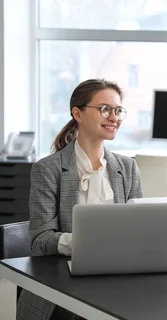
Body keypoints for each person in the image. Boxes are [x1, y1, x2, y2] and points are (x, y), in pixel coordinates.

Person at [17, 79, 142, 320]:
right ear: (78, 113)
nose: (114, 117)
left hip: (116, 282)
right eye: (105, 109)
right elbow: (40, 240)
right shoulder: (48, 169)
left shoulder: (128, 168)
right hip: (61, 286)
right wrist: (87, 244)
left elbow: (138, 230)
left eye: (118, 110)